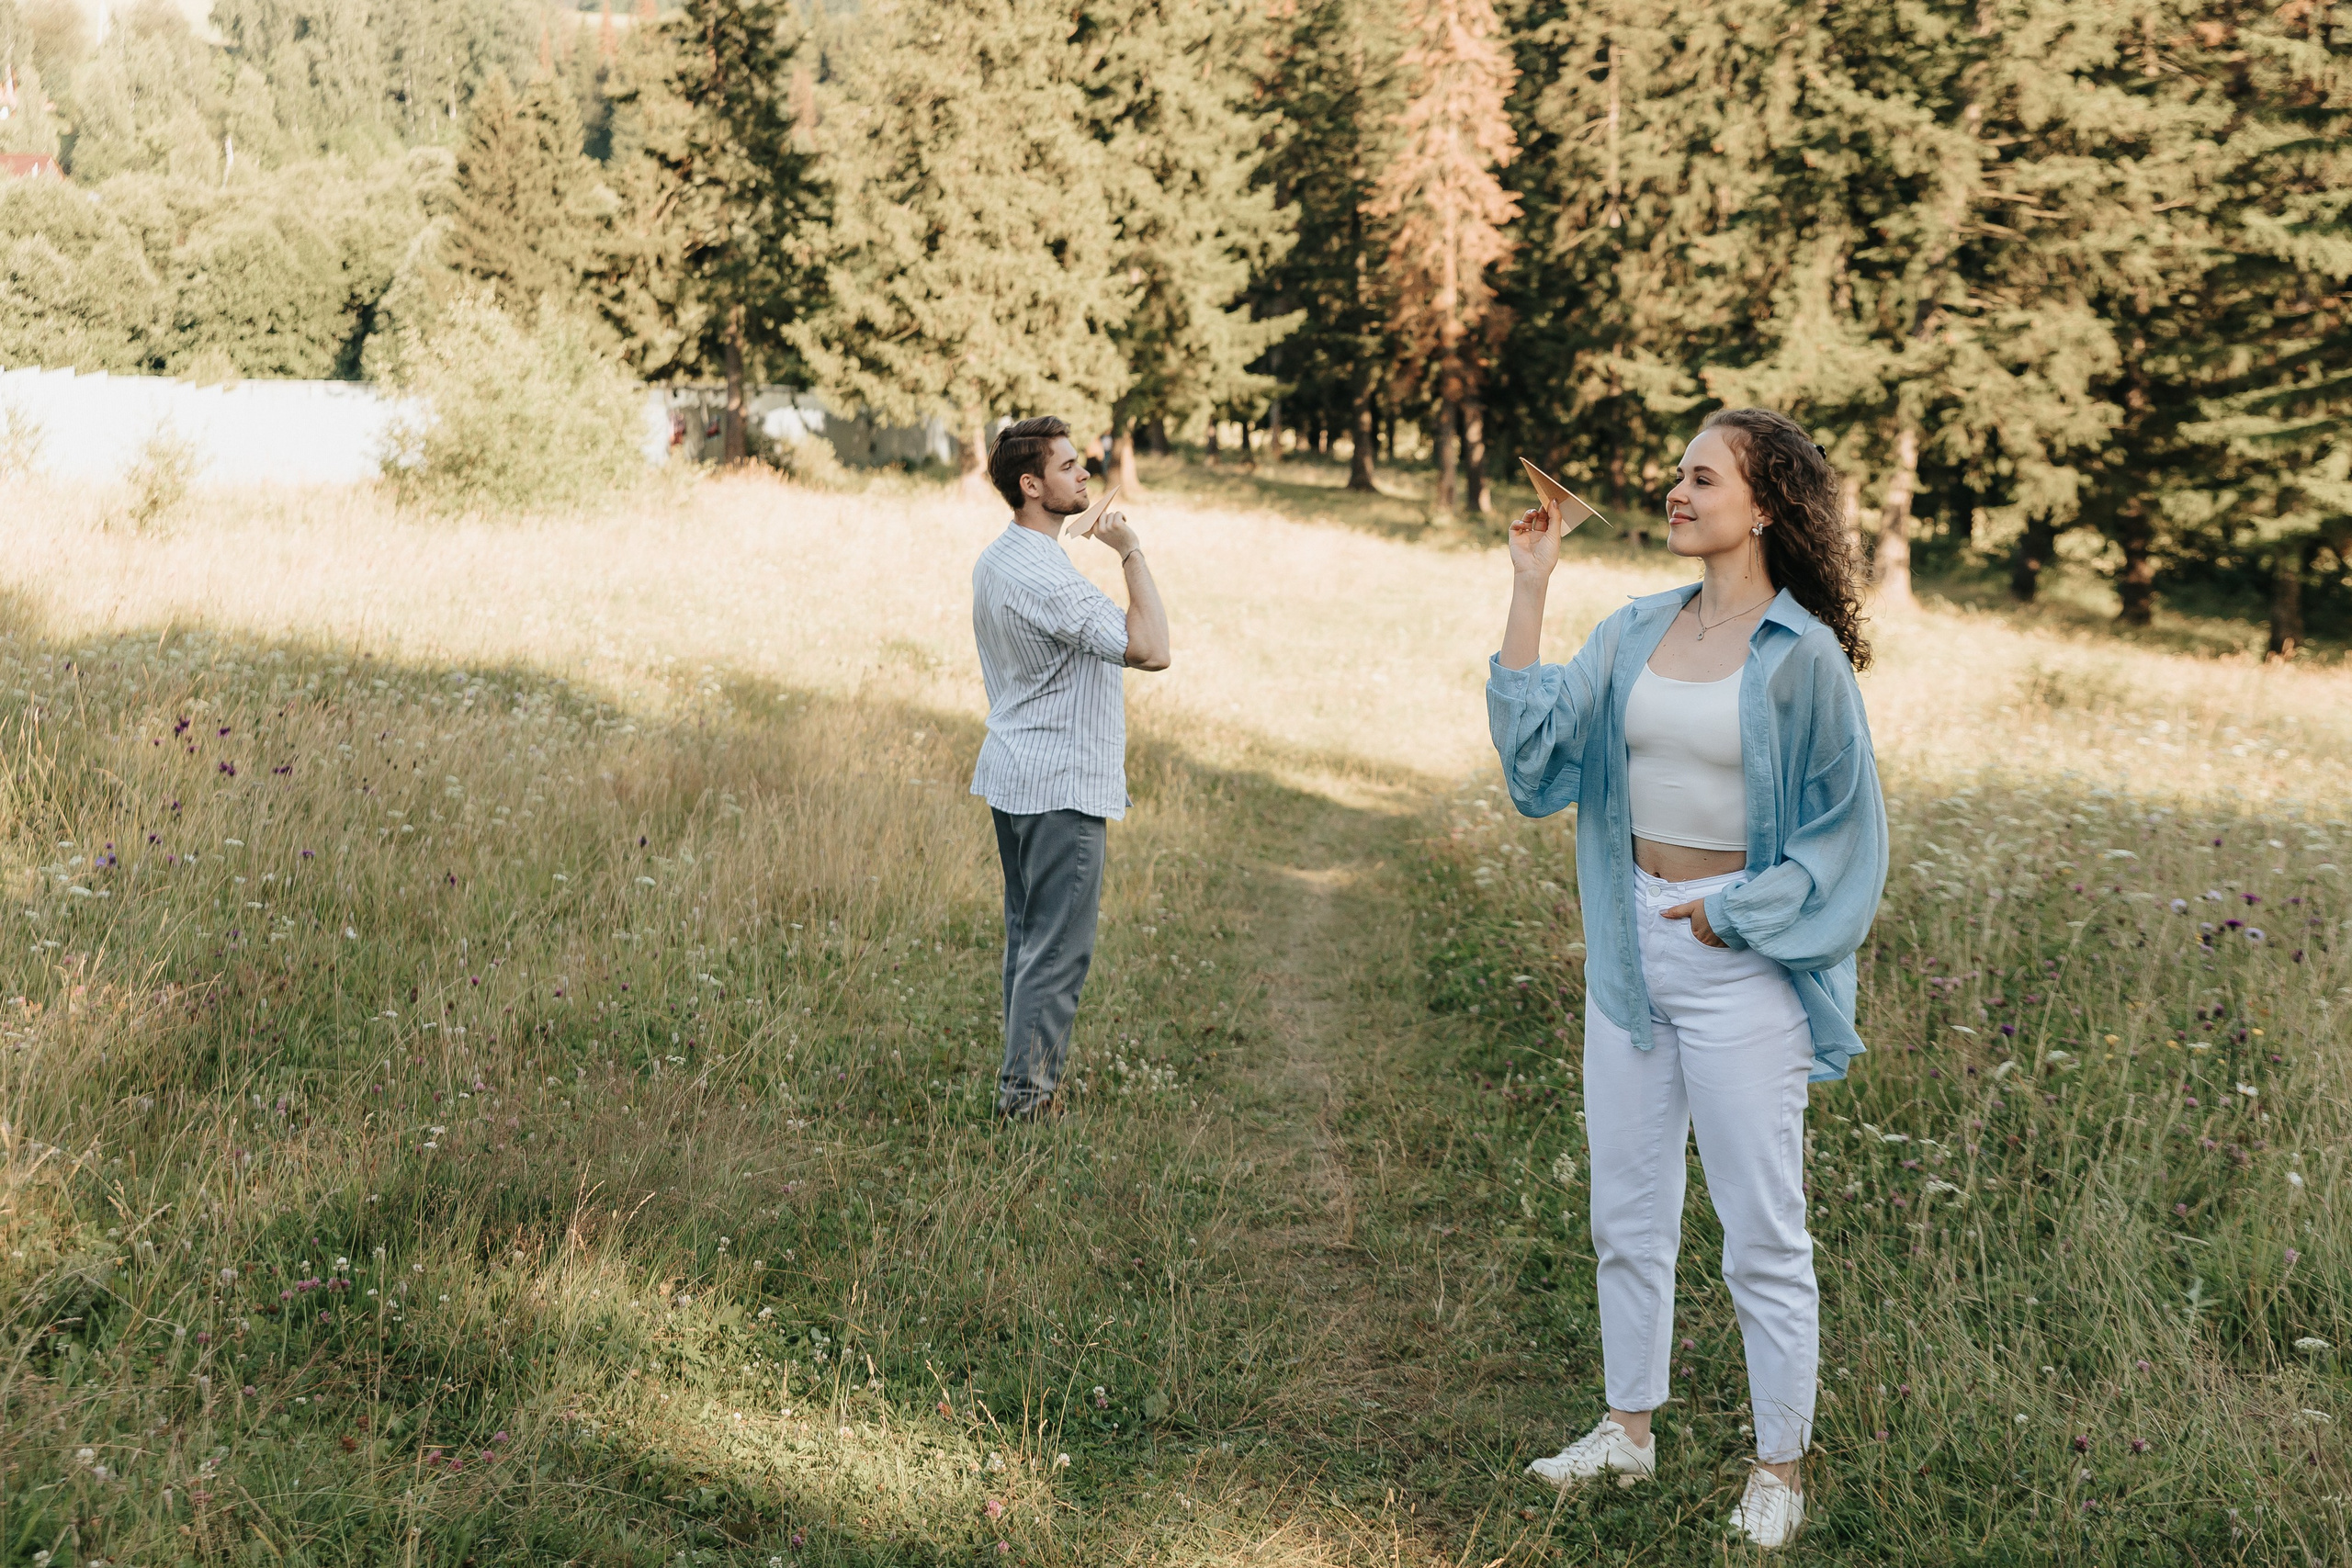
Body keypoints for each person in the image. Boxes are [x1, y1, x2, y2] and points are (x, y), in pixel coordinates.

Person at [1487, 408, 1887, 1549]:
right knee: (1627, 1209)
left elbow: (1845, 839)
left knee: (1762, 1230)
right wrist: (1529, 585)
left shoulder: (1801, 657)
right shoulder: (1632, 630)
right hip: (1627, 945)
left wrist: (1733, 913)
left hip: (1738, 964)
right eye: (1675, 474)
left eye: (1701, 478)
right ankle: (1628, 1431)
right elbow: (1535, 761)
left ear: (1762, 506)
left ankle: (1779, 1469)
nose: (1675, 490)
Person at [970, 415, 1171, 1121]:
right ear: (1031, 485)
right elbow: (1151, 648)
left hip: (1016, 774)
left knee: (1030, 939)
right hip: (1059, 785)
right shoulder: (1052, 579)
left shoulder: (999, 559)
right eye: (1066, 466)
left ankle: (1020, 1084)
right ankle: (1025, 1103)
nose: (1085, 472)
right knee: (1057, 951)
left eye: (1081, 462)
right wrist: (1131, 551)